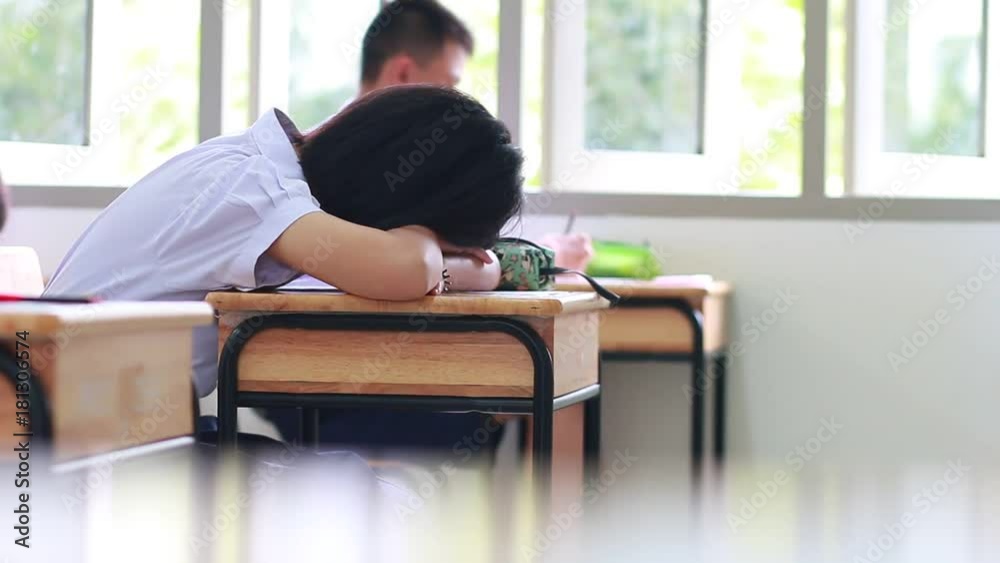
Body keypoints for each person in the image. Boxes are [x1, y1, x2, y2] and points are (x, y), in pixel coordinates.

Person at [44, 86, 523, 402]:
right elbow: (409, 269)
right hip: (64, 444)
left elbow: (413, 267)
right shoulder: (256, 190)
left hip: (92, 424)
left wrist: (456, 259)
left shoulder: (269, 179)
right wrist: (458, 261)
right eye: (440, 235)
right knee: (359, 496)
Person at [262, 0, 506, 455]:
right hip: (320, 374)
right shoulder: (334, 171)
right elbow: (402, 265)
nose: (456, 103)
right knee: (514, 385)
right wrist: (469, 269)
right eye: (452, 84)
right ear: (402, 73)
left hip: (362, 363)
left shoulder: (353, 159)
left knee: (518, 378)